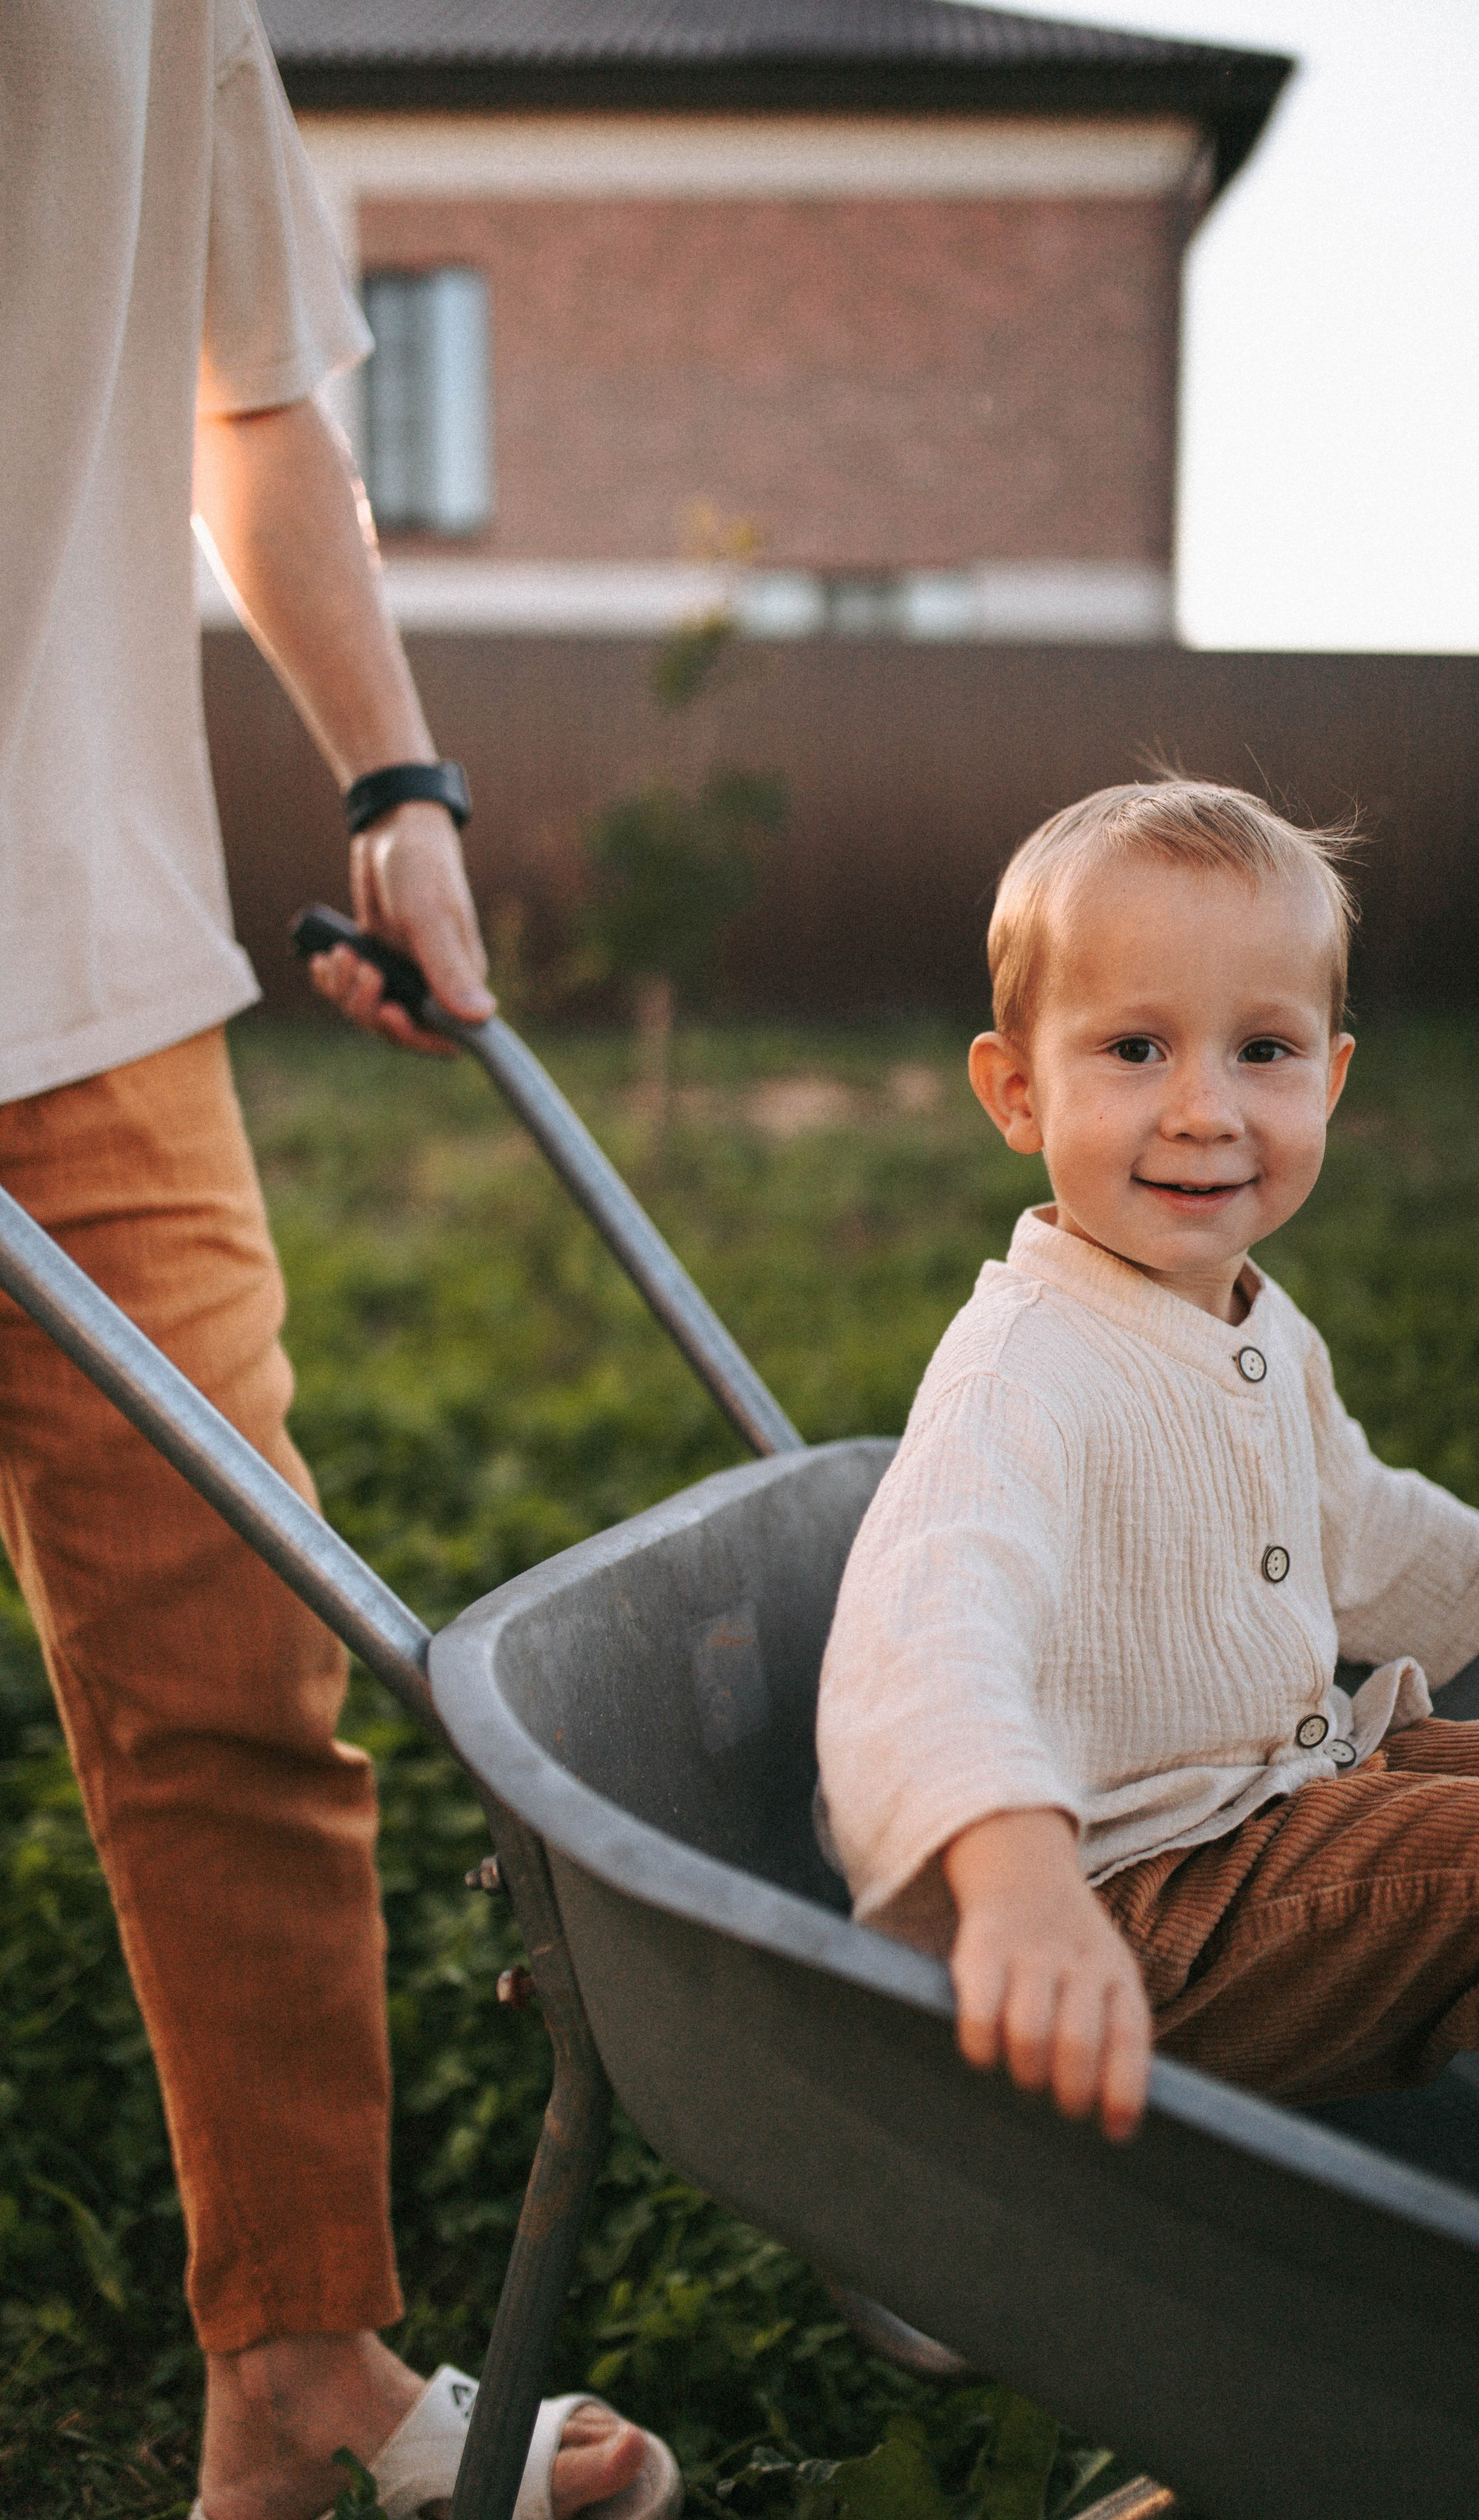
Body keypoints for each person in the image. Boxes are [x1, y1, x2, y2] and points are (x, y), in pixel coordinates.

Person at [0, 7, 678, 2516]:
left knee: (236, 1687)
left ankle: (298, 2368)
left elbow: (252, 391)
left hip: (84, 954)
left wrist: (394, 779)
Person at [816, 778, 1479, 2267]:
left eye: (1261, 1051)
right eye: (1133, 1048)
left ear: (1329, 1080)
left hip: (1250, 1807)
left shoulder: (1247, 1324)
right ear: (1015, 1091)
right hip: (1115, 1907)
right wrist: (1011, 1880)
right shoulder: (1024, 1374)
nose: (1204, 1109)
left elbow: (1341, 1506)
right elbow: (924, 1632)